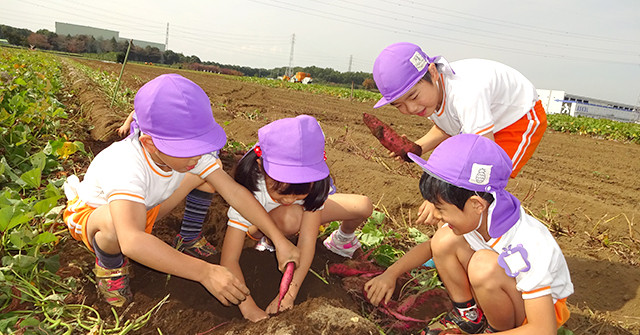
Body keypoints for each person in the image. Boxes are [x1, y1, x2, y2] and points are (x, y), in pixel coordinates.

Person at [62, 74, 300, 308]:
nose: (196, 156)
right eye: (186, 150)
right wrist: (204, 272)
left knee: (209, 174)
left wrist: (278, 239)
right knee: (116, 226)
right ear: (149, 144)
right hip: (95, 219)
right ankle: (109, 267)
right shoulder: (126, 164)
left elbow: (235, 194)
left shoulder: (188, 156)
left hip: (145, 210)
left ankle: (188, 236)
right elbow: (131, 240)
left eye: (198, 147)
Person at [364, 134, 573, 334]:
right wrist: (390, 274)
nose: (436, 215)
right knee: (444, 240)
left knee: (483, 265)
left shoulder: (528, 243)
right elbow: (431, 247)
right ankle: (469, 316)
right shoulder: (479, 215)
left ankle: (499, 330)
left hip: (535, 315)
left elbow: (543, 329)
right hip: (504, 289)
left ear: (475, 205)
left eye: (441, 208)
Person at [372, 42, 548, 226]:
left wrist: (437, 197)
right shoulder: (433, 95)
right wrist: (418, 148)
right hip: (484, 123)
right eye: (399, 105)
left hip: (517, 119)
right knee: (458, 198)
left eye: (413, 97)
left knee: (485, 182)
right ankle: (460, 242)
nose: (411, 108)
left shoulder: (465, 95)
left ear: (432, 73)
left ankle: (498, 237)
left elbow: (484, 155)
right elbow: (447, 126)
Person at [220, 115, 373, 322]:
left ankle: (341, 241)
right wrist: (249, 309)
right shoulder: (249, 189)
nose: (290, 199)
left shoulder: (316, 184)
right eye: (281, 191)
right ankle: (266, 241)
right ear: (260, 166)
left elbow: (307, 241)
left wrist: (289, 294)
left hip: (301, 216)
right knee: (290, 216)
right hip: (263, 223)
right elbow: (229, 259)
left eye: (299, 193)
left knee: (363, 206)